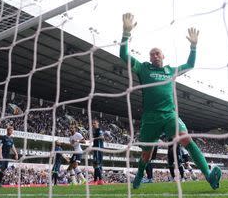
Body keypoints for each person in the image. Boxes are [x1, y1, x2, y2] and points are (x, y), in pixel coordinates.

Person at [120, 13, 221, 190]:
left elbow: (190, 65)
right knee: (146, 153)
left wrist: (194, 46)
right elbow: (124, 55)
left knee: (186, 139)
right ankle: (138, 175)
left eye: (157, 53)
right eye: (151, 55)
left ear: (163, 55)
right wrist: (126, 33)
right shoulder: (143, 68)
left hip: (169, 115)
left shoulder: (170, 71)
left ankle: (209, 177)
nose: (154, 56)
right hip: (150, 117)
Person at [92, 119, 105, 185]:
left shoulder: (99, 130)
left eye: (94, 123)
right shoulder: (94, 131)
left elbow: (102, 137)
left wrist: (94, 139)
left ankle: (99, 180)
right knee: (96, 164)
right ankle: (96, 180)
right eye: (93, 123)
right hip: (96, 148)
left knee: (96, 163)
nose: (93, 124)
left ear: (98, 123)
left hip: (99, 148)